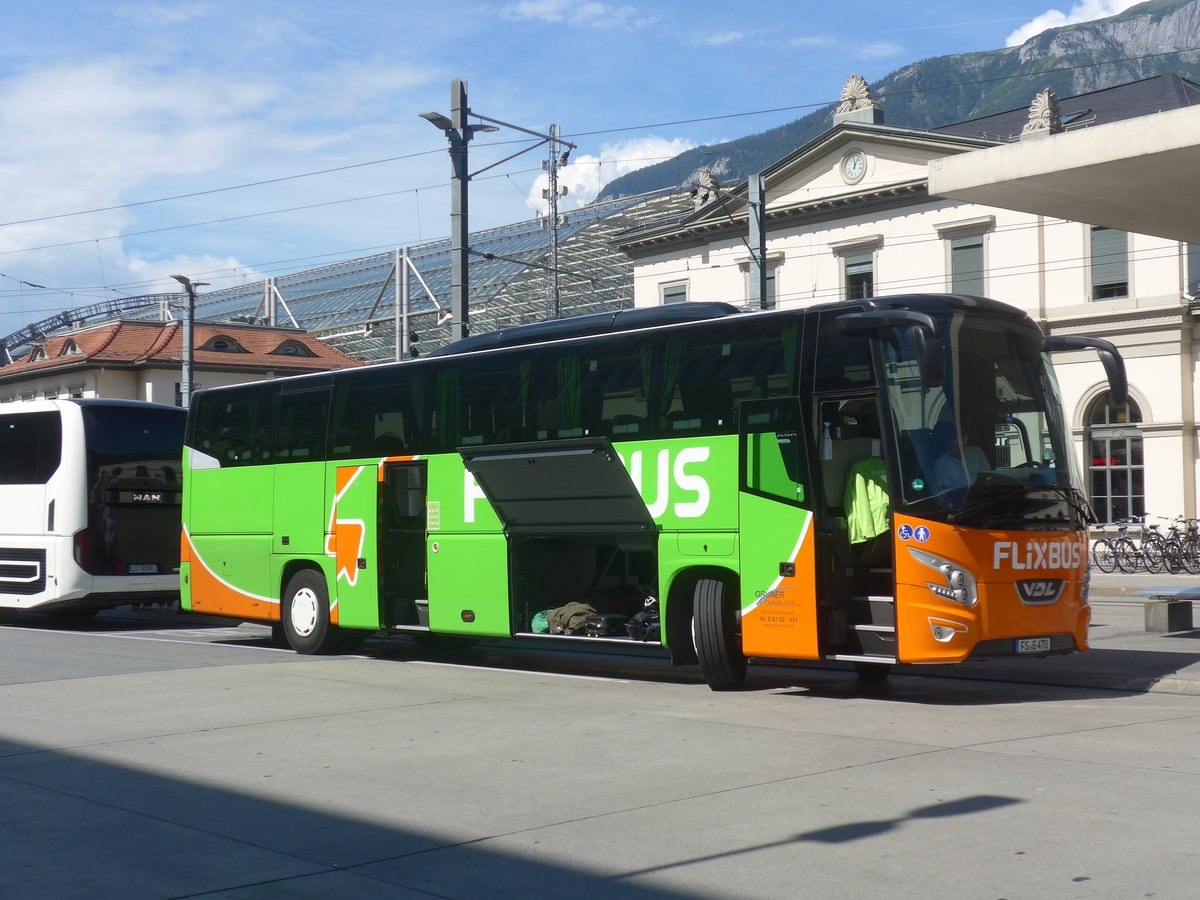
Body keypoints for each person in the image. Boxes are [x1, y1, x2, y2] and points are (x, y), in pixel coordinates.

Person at [931, 421, 988, 491]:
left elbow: (987, 476)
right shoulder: (941, 464)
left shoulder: (976, 452)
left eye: (963, 446)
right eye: (956, 447)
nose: (960, 450)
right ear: (947, 443)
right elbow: (946, 491)